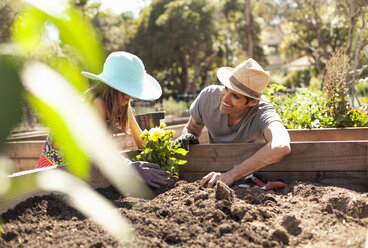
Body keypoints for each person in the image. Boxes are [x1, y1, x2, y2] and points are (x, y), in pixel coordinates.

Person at [36, 51, 169, 188]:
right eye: (126, 93)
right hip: (58, 168)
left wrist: (159, 156)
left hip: (84, 168)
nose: (129, 98)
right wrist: (131, 167)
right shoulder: (97, 103)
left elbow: (140, 138)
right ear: (111, 87)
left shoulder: (122, 103)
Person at [176, 58, 291, 188]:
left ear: (252, 102)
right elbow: (191, 129)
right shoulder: (208, 97)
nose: (225, 99)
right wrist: (187, 135)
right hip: (214, 168)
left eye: (235, 96)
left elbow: (281, 145)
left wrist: (230, 176)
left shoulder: (262, 112)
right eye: (226, 88)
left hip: (250, 174)